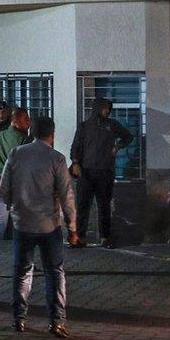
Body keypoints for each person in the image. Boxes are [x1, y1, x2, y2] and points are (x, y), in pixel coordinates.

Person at [0, 116, 79, 338]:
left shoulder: (16, 154)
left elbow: (4, 189)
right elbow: (66, 195)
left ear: (32, 132)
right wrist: (72, 228)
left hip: (22, 223)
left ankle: (19, 319)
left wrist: (14, 206)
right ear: (52, 135)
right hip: (49, 225)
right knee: (54, 272)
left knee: (22, 272)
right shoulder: (57, 159)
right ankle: (56, 322)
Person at [69, 98, 134, 249]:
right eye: (105, 108)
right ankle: (80, 237)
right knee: (83, 205)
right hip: (86, 173)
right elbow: (76, 146)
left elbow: (128, 137)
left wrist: (118, 146)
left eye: (108, 108)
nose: (107, 111)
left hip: (105, 172)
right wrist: (75, 162)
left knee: (104, 206)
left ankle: (105, 238)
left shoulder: (112, 125)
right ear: (97, 108)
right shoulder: (84, 126)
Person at [0, 107, 31, 276]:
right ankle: (24, 262)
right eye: (26, 119)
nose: (29, 122)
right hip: (18, 189)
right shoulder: (25, 140)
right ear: (15, 121)